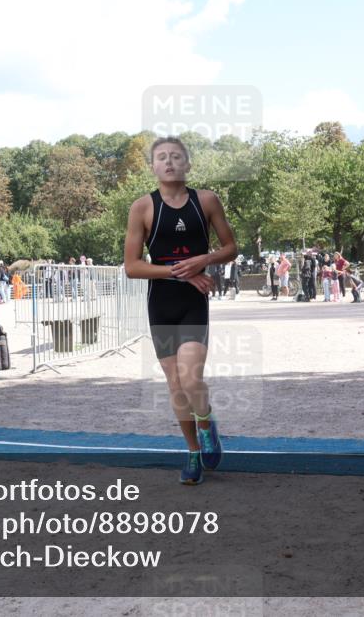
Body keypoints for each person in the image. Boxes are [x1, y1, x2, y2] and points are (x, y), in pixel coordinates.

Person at [124, 136, 236, 486]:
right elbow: (131, 266)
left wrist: (205, 259)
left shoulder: (206, 201)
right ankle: (192, 453)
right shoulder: (142, 208)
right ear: (153, 167)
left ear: (187, 164)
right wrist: (181, 272)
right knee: (175, 385)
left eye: (176, 157)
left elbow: (231, 247)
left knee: (190, 378)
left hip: (193, 303)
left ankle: (206, 421)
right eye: (161, 158)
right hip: (162, 302)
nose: (169, 162)